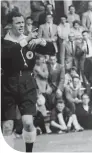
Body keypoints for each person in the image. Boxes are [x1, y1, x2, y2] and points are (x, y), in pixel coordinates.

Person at [1, 11, 47, 152]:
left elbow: (51, 50)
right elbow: (11, 51)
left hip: (27, 82)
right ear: (9, 25)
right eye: (18, 23)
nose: (21, 25)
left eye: (22, 22)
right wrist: (27, 39)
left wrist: (41, 42)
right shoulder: (4, 42)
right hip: (8, 83)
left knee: (28, 123)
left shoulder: (28, 39)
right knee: (8, 126)